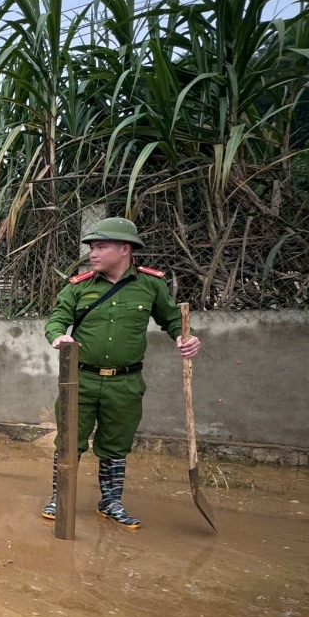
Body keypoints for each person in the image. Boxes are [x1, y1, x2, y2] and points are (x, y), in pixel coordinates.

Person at [43, 216, 201, 530]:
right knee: (68, 441)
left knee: (116, 444)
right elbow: (57, 319)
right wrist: (58, 336)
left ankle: (111, 501)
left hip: (125, 382)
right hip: (80, 380)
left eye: (101, 247)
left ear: (125, 249)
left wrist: (184, 337)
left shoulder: (150, 285)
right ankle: (60, 497)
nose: (93, 253)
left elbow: (172, 320)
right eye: (92, 247)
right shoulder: (80, 287)